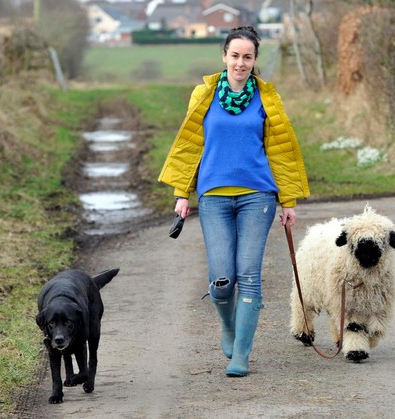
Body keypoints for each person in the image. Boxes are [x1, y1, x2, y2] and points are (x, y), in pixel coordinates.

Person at [158, 26, 310, 377]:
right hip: (213, 197)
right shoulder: (204, 94)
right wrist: (182, 194)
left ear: (255, 61)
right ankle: (228, 327)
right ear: (224, 56)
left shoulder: (267, 98)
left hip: (258, 196)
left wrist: (288, 201)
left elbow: (281, 153)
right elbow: (189, 146)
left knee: (250, 276)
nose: (240, 63)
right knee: (221, 279)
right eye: (235, 55)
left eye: (248, 57)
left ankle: (241, 354)